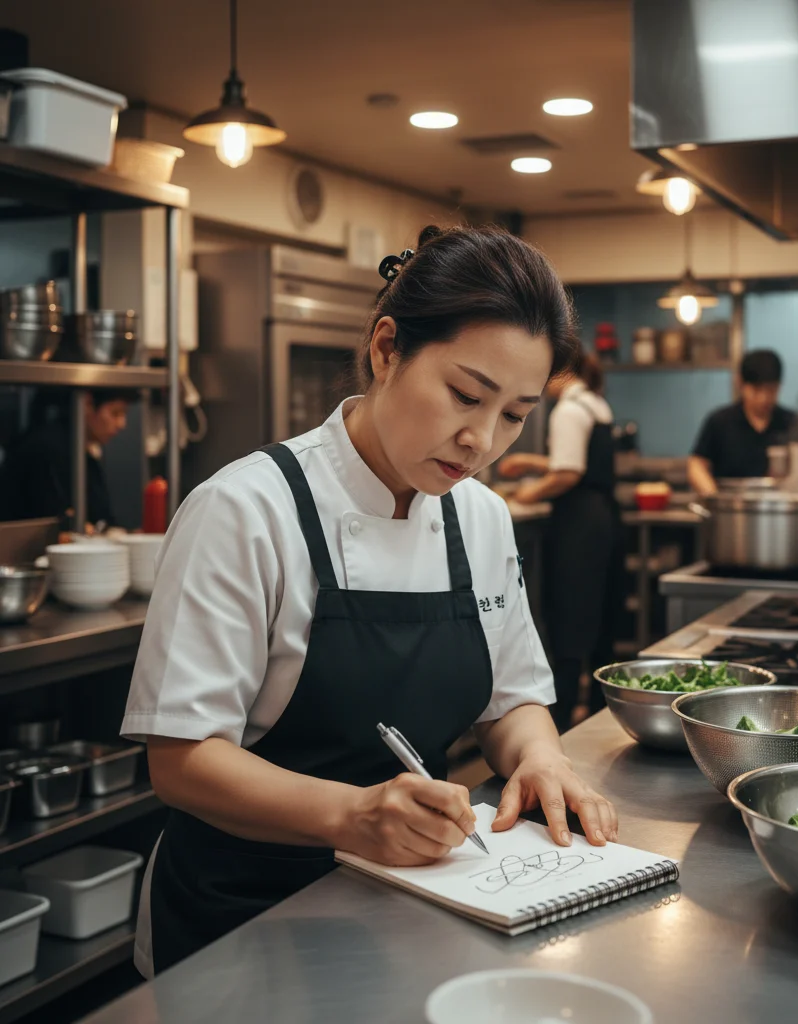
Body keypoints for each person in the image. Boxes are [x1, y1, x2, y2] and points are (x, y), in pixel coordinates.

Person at [120, 226, 618, 978]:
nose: (481, 439)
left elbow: (511, 700)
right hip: (239, 923)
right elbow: (183, 761)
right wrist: (350, 816)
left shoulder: (478, 516)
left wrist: (543, 758)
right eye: (465, 394)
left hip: (411, 912)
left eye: (515, 414)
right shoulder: (246, 510)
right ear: (387, 349)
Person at [498, 353, 623, 732]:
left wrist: (524, 496)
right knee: (599, 620)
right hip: (606, 518)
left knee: (570, 619)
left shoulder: (568, 409)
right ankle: (603, 716)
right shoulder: (595, 402)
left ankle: (563, 721)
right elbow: (575, 461)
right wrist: (534, 464)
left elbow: (568, 473)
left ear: (562, 373)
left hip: (578, 525)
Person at [687, 349, 798, 494]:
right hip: (730, 508)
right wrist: (713, 497)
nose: (764, 398)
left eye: (771, 390)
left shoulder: (793, 423)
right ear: (740, 383)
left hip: (780, 508)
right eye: (756, 390)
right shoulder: (720, 422)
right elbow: (697, 465)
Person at [0, 388, 131, 528]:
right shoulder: (48, 448)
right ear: (87, 404)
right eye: (115, 413)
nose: (122, 424)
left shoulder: (82, 450)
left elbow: (102, 516)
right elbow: (55, 522)